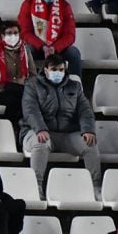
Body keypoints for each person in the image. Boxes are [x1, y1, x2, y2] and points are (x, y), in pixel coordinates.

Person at [20, 55, 100, 199]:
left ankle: (94, 187)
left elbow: (85, 111)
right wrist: (40, 128)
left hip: (66, 135)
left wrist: (88, 130)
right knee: (41, 143)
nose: (58, 72)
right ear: (45, 70)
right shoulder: (32, 85)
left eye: (61, 69)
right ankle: (36, 186)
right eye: (54, 69)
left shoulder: (74, 86)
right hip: (36, 132)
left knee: (90, 145)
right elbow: (30, 110)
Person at [17, 0, 82, 78]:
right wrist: (42, 46)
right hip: (37, 47)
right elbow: (24, 32)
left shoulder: (64, 6)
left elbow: (70, 35)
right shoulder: (28, 4)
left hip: (57, 48)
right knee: (26, 51)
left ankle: (75, 88)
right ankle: (26, 87)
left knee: (74, 53)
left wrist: (54, 48)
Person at [0, 23, 36, 124]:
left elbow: (33, 74)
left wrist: (26, 83)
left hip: (20, 89)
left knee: (23, 99)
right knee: (19, 101)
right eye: (9, 33)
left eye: (15, 33)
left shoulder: (25, 50)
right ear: (2, 35)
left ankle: (10, 129)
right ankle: (14, 129)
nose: (13, 36)